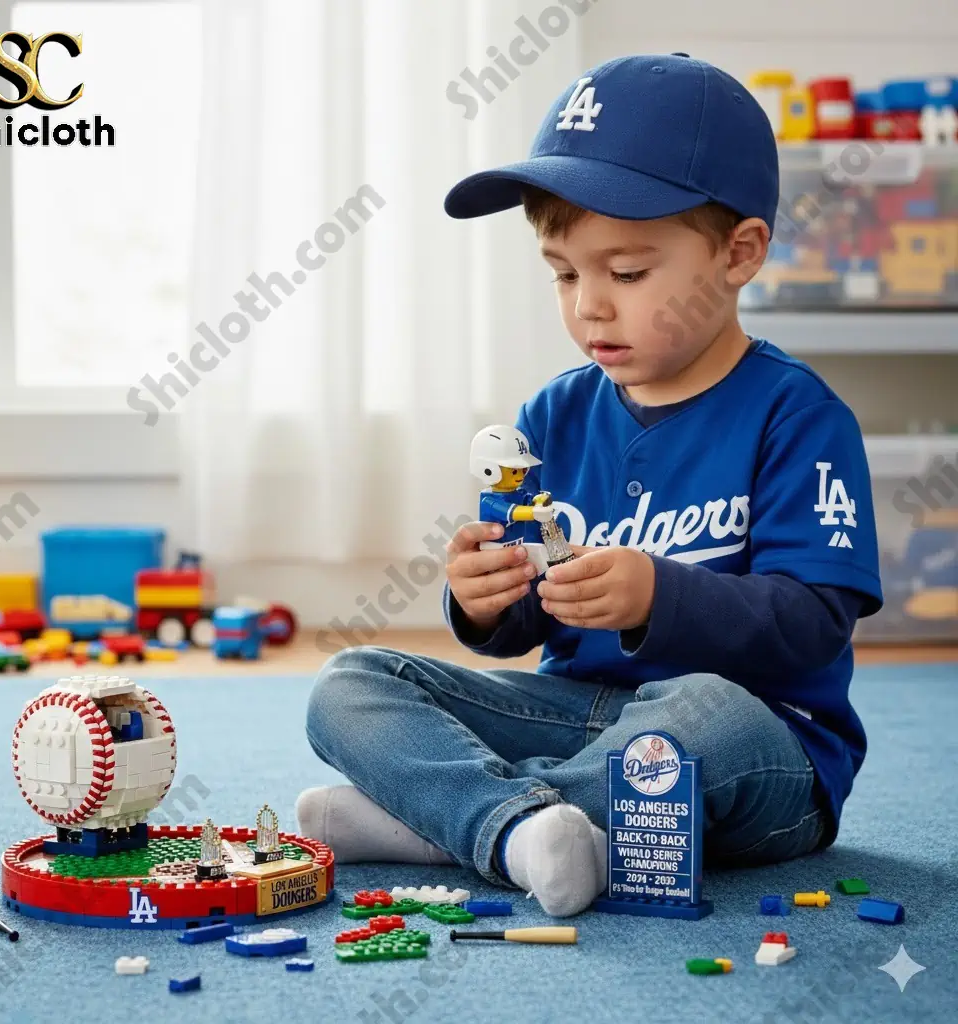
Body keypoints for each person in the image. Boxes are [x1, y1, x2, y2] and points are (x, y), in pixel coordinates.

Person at [297, 53, 883, 918]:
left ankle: (450, 818)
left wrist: (659, 596)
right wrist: (490, 602)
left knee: (701, 714)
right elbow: (529, 624)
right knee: (349, 681)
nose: (589, 307)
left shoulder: (799, 415)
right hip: (579, 714)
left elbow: (811, 630)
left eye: (628, 273)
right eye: (565, 273)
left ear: (740, 253)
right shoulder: (551, 416)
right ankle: (520, 829)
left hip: (760, 748)